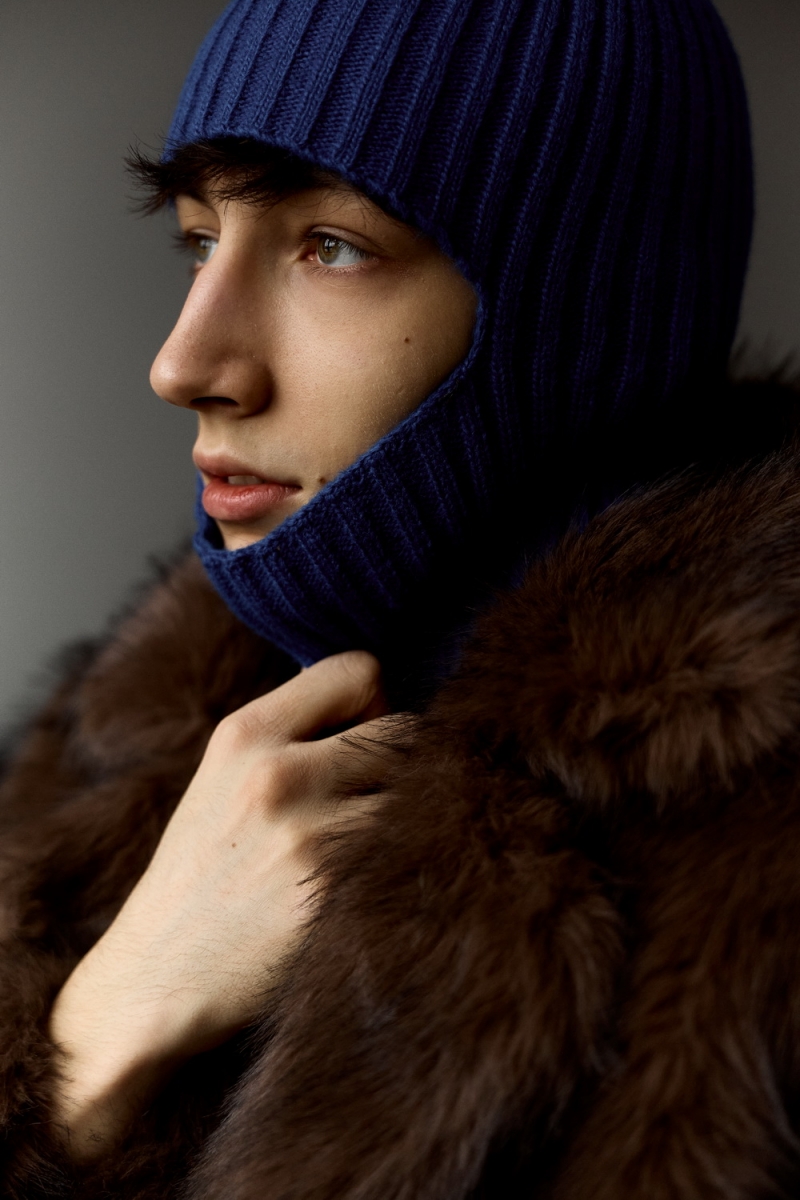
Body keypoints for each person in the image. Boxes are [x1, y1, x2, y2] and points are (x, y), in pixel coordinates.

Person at [1, 0, 799, 1195]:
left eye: (330, 246)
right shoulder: (121, 747)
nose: (182, 363)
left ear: (569, 319)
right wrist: (102, 1033)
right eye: (198, 237)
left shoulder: (752, 867)